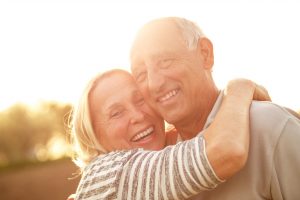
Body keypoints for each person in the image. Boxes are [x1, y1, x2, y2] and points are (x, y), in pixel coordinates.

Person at [130, 17, 300, 200]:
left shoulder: (270, 127)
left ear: (205, 54)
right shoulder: (160, 163)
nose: (154, 84)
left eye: (165, 61)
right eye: (141, 74)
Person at [70, 69, 270, 200]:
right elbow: (225, 151)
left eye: (140, 99)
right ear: (93, 137)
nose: (138, 115)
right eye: (116, 113)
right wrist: (238, 89)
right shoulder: (112, 173)